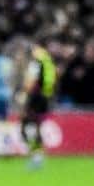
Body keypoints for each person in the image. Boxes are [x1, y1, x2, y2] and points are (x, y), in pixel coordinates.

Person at [20, 40, 56, 169]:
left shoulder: (37, 60)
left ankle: (36, 156)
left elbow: (32, 80)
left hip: (35, 96)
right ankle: (37, 155)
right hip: (45, 96)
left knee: (28, 124)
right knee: (35, 124)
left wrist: (24, 94)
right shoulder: (47, 60)